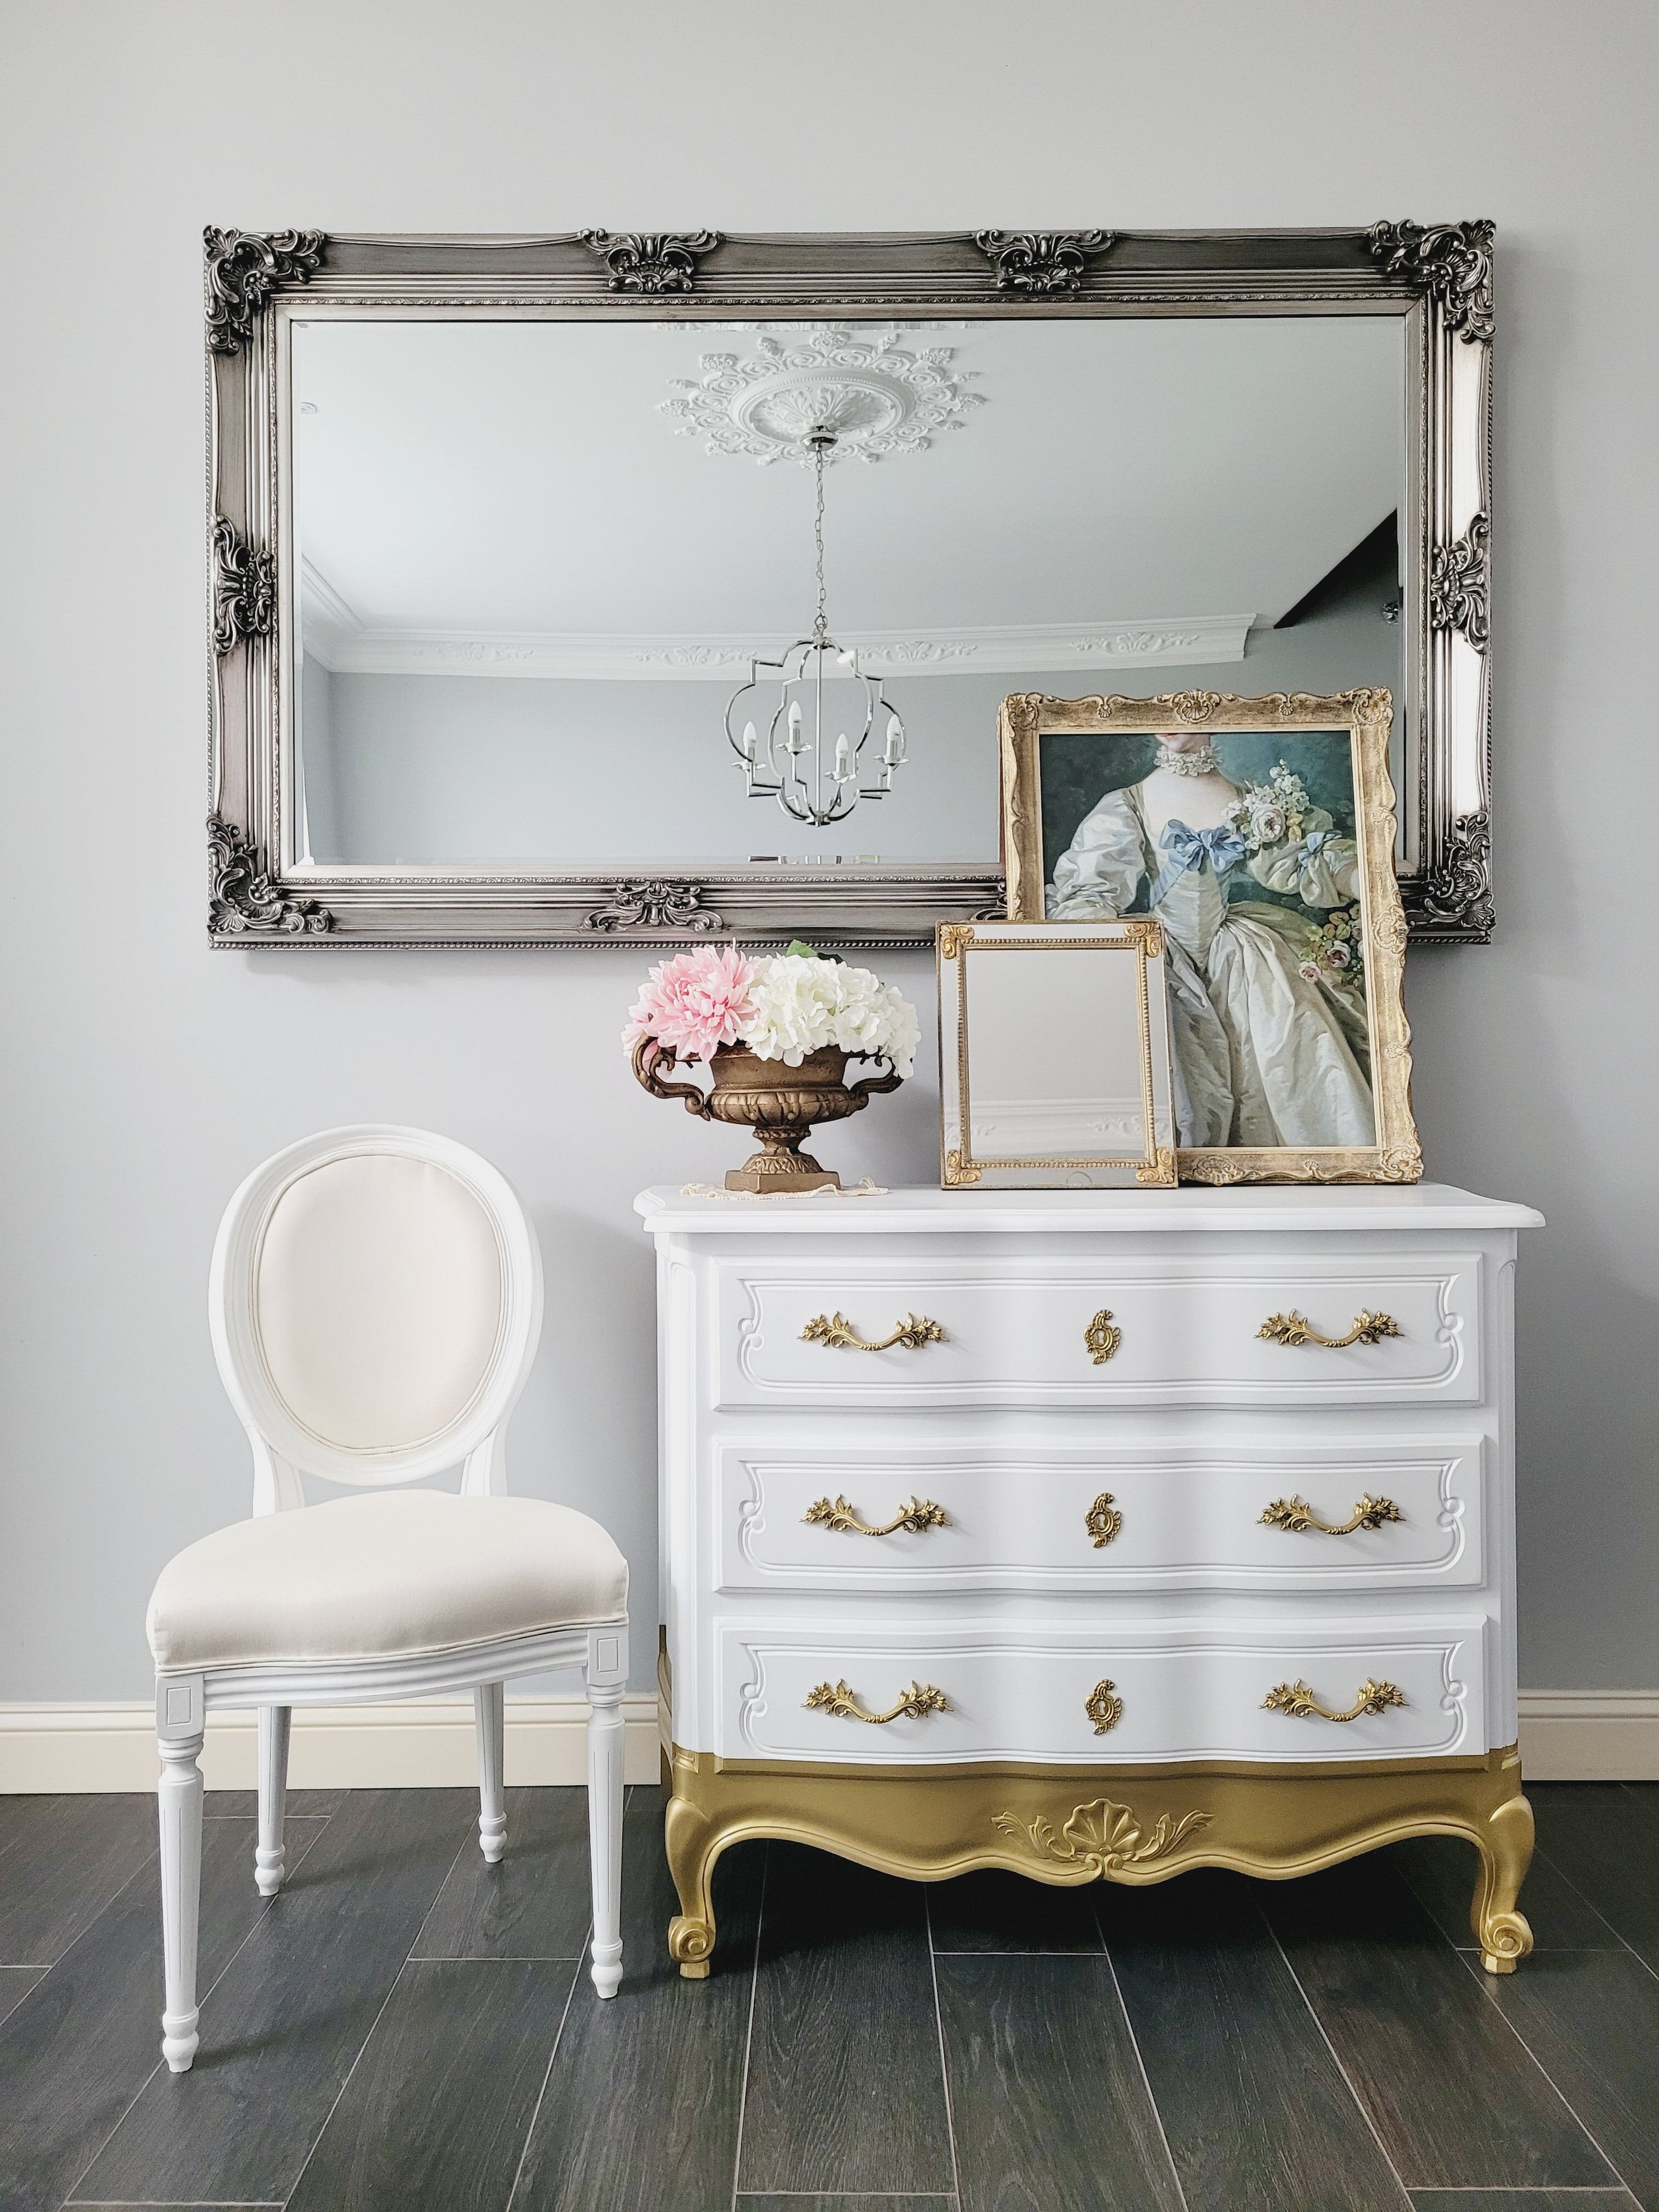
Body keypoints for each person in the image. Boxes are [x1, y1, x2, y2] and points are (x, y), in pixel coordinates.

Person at [1046, 729, 1374, 1147]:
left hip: (1238, 951)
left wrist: (1366, 879)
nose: (1175, 724)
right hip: (1161, 953)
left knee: (1286, 1046)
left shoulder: (1251, 801)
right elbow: (1090, 892)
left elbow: (1307, 859)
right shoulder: (1128, 803)